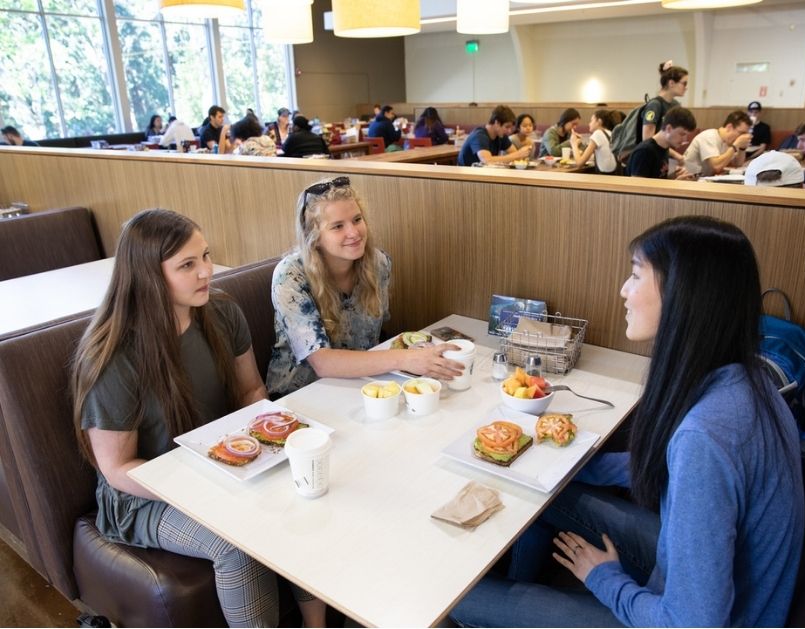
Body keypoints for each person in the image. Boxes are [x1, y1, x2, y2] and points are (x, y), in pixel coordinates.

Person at [451, 215, 805, 628]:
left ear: (682, 296)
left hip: (693, 616)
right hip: (687, 578)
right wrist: (570, 461)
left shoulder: (707, 435)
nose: (623, 290)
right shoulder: (742, 382)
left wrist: (606, 580)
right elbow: (670, 468)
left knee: (459, 596)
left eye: (636, 276)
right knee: (545, 487)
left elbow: (692, 623)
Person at [71, 209, 327, 627]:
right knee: (236, 546)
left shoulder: (222, 312)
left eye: (205, 256)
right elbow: (117, 469)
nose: (207, 271)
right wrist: (203, 484)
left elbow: (250, 393)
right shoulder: (113, 357)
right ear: (148, 276)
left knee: (302, 496)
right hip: (141, 499)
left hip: (217, 464)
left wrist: (266, 452)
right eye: (188, 265)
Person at [267, 177, 464, 398]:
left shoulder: (378, 264)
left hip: (361, 387)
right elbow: (323, 363)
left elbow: (374, 341)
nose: (354, 232)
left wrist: (418, 354)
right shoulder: (291, 275)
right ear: (314, 238)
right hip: (299, 397)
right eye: (338, 226)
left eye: (357, 219)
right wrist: (406, 359)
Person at [626, 106, 696, 179]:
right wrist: (675, 183)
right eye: (682, 134)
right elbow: (637, 187)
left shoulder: (664, 148)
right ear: (668, 129)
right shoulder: (644, 151)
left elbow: (656, 179)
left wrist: (674, 176)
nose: (685, 140)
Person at [640, 62, 689, 162]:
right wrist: (676, 155)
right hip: (650, 157)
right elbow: (647, 140)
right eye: (684, 83)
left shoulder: (676, 105)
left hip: (664, 156)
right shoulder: (655, 105)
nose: (686, 87)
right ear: (671, 83)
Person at [682, 110, 752, 177]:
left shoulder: (728, 141)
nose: (742, 137)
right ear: (729, 127)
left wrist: (742, 148)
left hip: (703, 180)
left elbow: (737, 164)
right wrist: (735, 145)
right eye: (741, 133)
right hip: (689, 181)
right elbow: (717, 166)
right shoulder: (709, 136)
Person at [458, 105, 532, 167]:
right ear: (497, 123)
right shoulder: (479, 135)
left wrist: (521, 153)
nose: (509, 131)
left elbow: (514, 153)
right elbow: (487, 160)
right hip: (465, 177)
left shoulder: (500, 135)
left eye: (510, 127)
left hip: (483, 175)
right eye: (507, 127)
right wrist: (518, 155)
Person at [570, 109, 617, 174]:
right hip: (615, 175)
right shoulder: (610, 133)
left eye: (591, 120)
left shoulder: (598, 134)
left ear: (599, 121)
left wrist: (574, 144)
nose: (589, 124)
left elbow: (579, 163)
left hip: (604, 178)